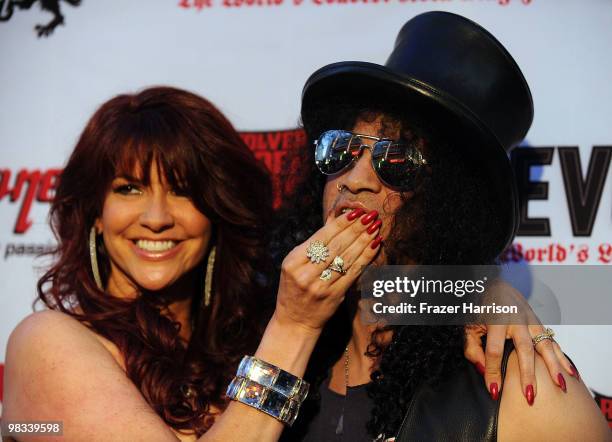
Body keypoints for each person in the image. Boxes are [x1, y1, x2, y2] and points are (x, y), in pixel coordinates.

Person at [0, 59, 592, 442]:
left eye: (394, 160)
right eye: (340, 151)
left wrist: (478, 288)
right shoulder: (49, 344)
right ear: (92, 214)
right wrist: (293, 323)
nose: (156, 216)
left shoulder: (246, 334)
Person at [272, 11, 612, 442]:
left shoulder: (525, 393)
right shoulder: (269, 330)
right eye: (341, 148)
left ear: (451, 202)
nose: (354, 179)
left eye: (395, 160)